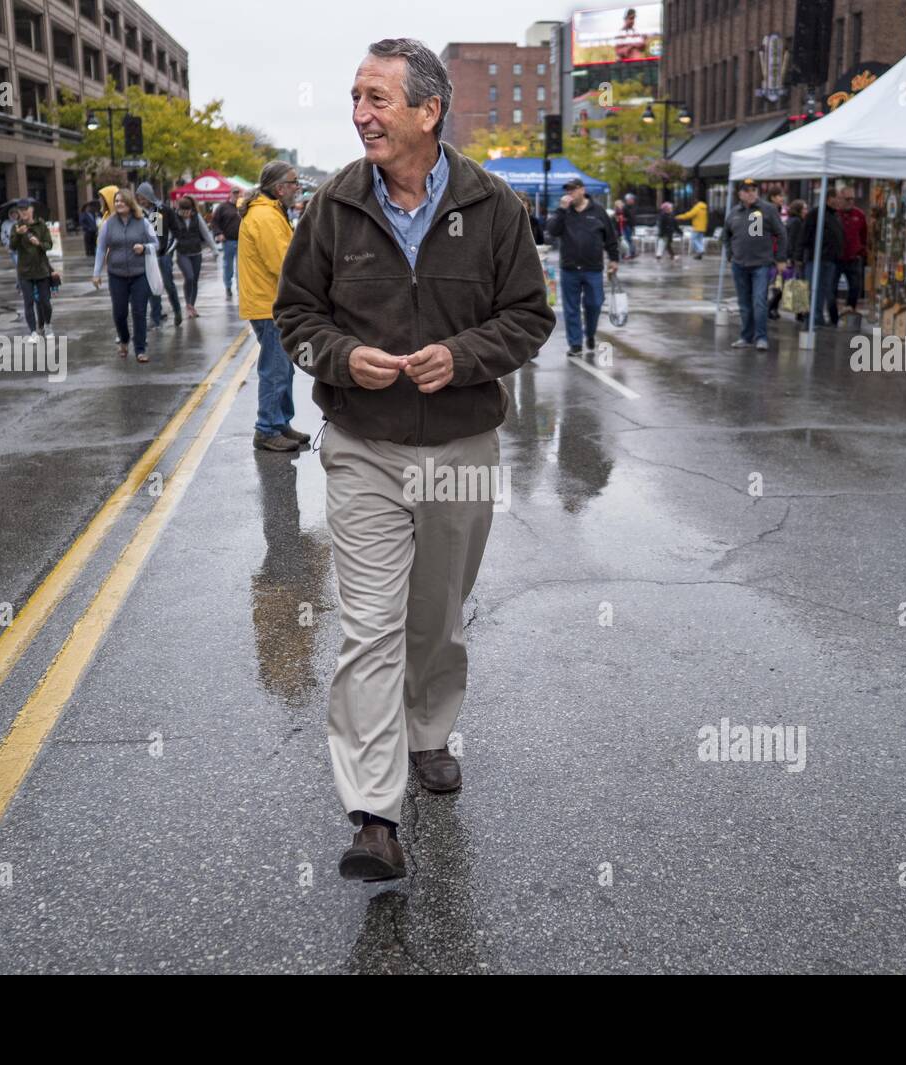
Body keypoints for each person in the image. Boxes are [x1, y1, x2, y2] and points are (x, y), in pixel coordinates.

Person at [274, 36, 554, 882]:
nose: (361, 114)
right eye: (355, 98)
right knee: (369, 625)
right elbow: (295, 315)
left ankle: (430, 730)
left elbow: (529, 317)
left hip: (461, 446)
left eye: (378, 100)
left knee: (438, 611)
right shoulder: (330, 207)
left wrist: (463, 356)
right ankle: (373, 813)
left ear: (429, 111)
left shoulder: (495, 205)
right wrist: (338, 356)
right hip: (362, 447)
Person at [238, 160, 307, 452]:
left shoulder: (270, 212)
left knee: (284, 368)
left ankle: (279, 423)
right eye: (293, 183)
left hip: (270, 302)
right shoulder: (265, 217)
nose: (297, 188)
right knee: (276, 369)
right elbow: (282, 263)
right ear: (279, 188)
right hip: (268, 305)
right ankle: (266, 428)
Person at [545, 177, 619, 358]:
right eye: (568, 190)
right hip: (569, 268)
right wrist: (561, 210)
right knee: (571, 308)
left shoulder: (598, 211)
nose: (570, 193)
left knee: (594, 303)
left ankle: (591, 333)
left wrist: (614, 259)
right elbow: (552, 231)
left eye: (573, 189)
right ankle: (576, 344)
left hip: (593, 268)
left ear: (582, 190)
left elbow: (610, 237)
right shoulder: (565, 212)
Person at [92, 187, 158, 362]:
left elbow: (156, 243)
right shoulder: (108, 224)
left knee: (139, 311)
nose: (118, 204)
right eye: (116, 201)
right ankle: (124, 339)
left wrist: (144, 248)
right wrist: (96, 273)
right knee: (120, 313)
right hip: (116, 274)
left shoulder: (143, 222)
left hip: (139, 274)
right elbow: (101, 248)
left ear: (130, 203)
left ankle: (140, 349)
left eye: (122, 201)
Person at [724, 178, 786, 350]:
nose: (751, 193)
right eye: (747, 190)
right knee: (744, 303)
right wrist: (730, 254)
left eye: (753, 190)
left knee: (759, 301)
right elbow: (726, 235)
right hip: (739, 264)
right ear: (740, 194)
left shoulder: (767, 209)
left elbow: (781, 234)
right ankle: (746, 336)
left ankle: (761, 337)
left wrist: (780, 258)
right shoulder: (734, 212)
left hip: (761, 264)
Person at [135, 183, 184, 329]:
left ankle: (177, 310)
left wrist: (168, 251)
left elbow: (177, 232)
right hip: (148, 254)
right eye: (138, 198)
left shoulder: (163, 210)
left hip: (164, 254)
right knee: (152, 286)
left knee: (168, 284)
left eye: (143, 197)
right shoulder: (138, 213)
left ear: (149, 195)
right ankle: (155, 317)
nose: (141, 200)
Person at [9, 197, 53, 342]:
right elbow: (12, 247)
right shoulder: (16, 227)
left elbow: (49, 245)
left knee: (45, 302)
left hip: (41, 270)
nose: (23, 212)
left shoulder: (41, 225)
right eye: (20, 210)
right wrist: (19, 235)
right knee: (28, 302)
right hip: (25, 271)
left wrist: (39, 243)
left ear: (31, 210)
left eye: (26, 209)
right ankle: (33, 332)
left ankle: (47, 325)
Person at [801, 187, 845, 326]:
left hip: (830, 259)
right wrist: (800, 255)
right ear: (829, 198)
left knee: (823, 290)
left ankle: (817, 317)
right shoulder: (816, 213)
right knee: (813, 289)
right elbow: (805, 234)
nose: (839, 201)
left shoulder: (834, 215)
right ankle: (811, 318)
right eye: (837, 197)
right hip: (816, 258)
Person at [172, 194, 216, 317]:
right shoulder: (174, 218)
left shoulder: (196, 217)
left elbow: (206, 233)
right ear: (178, 209)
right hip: (182, 253)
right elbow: (170, 236)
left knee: (195, 280)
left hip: (196, 252)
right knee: (189, 277)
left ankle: (191, 305)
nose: (185, 214)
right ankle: (188, 304)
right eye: (183, 211)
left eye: (188, 211)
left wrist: (214, 249)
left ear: (191, 209)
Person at [836, 186, 868, 317]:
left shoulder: (859, 215)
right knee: (831, 287)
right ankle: (833, 314)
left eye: (852, 199)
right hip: (837, 258)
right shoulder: (835, 214)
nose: (850, 202)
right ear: (840, 199)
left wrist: (861, 250)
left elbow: (864, 234)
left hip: (854, 258)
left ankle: (849, 309)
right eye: (847, 199)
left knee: (855, 286)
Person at [212, 186, 243, 300]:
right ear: (230, 194)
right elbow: (214, 222)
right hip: (228, 241)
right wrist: (218, 233)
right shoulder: (222, 207)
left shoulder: (243, 207)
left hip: (242, 241)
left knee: (241, 267)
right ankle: (228, 287)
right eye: (234, 193)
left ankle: (241, 289)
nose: (236, 195)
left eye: (238, 193)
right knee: (228, 266)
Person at [785, 199, 809, 324]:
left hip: (795, 257)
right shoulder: (797, 223)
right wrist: (794, 258)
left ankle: (800, 312)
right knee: (799, 284)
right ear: (798, 210)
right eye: (804, 208)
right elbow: (793, 241)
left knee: (797, 283)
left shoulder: (794, 221)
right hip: (797, 258)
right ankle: (800, 313)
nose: (806, 210)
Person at [766, 188, 788, 319]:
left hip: (779, 254)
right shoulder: (764, 211)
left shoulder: (784, 212)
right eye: (780, 195)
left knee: (780, 283)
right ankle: (768, 308)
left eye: (783, 195)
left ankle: (771, 307)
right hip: (768, 253)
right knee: (768, 283)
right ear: (772, 197)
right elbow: (756, 233)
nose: (782, 198)